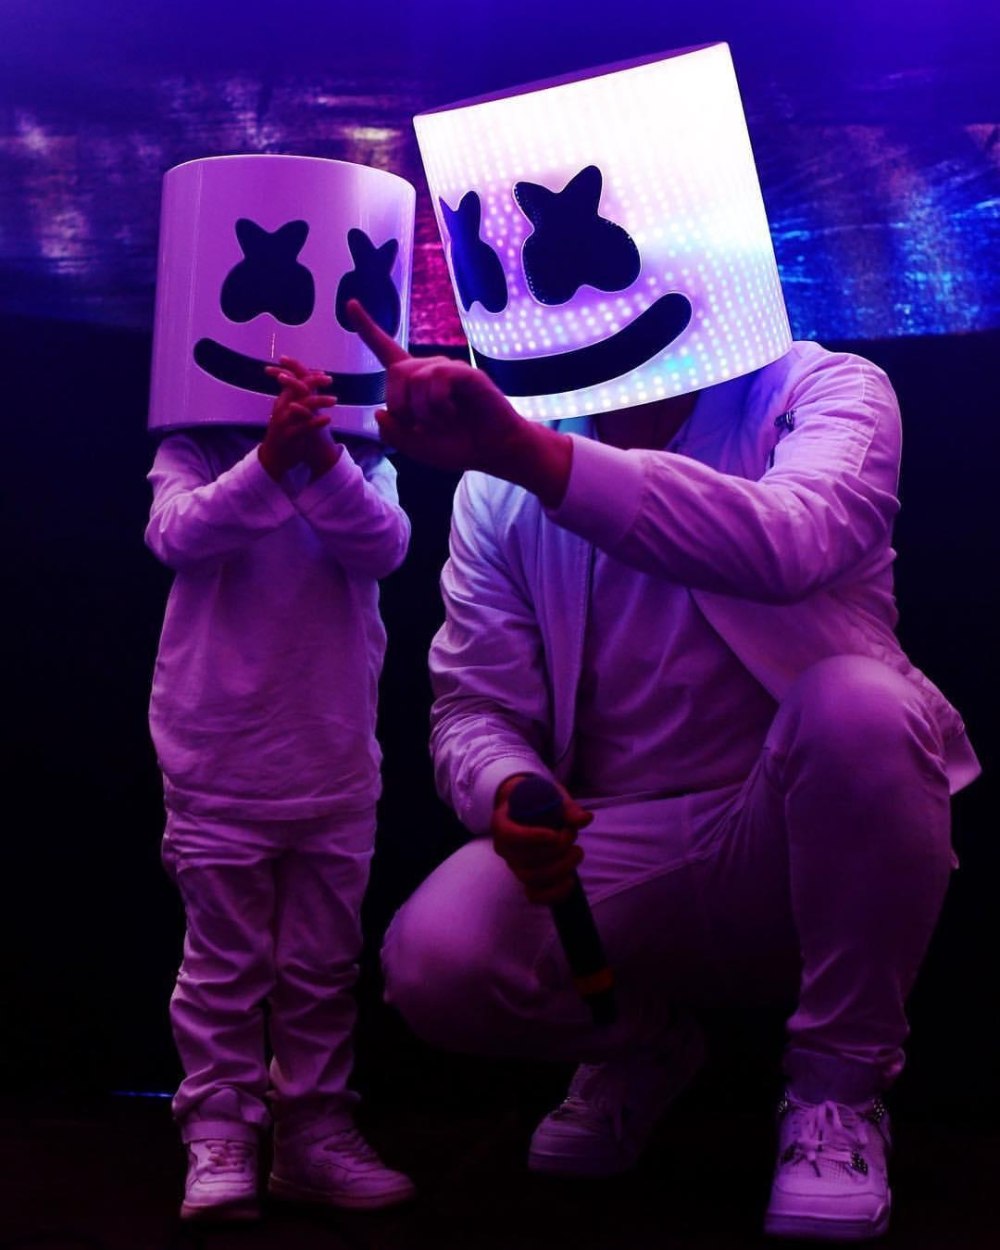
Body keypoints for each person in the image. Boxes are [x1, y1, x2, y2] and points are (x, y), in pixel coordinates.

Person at [346, 291, 979, 1242]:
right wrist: (508, 787)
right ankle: (639, 1045)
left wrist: (529, 455)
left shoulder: (820, 387)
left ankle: (838, 1095)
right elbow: (476, 706)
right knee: (436, 959)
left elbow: (791, 539)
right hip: (619, 845)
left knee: (861, 706)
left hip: (797, 830)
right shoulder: (498, 483)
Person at [146, 356, 415, 1221]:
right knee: (223, 968)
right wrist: (267, 461)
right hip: (219, 763)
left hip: (331, 762)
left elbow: (384, 545)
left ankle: (312, 1133)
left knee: (321, 968)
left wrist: (322, 457)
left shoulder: (364, 455)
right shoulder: (190, 447)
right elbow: (176, 535)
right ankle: (219, 1128)